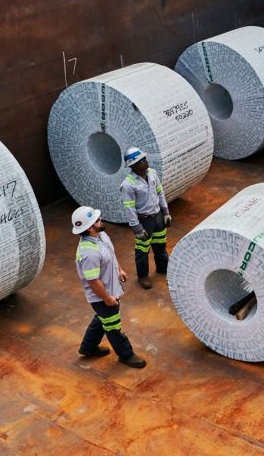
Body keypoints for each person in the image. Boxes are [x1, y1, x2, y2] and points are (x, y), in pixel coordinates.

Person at [72, 205, 146, 368]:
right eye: (97, 220)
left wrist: (119, 269)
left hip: (110, 290)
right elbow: (92, 282)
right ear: (90, 228)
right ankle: (126, 355)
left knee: (102, 318)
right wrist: (107, 299)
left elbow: (110, 254)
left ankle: (88, 347)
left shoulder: (101, 235)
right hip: (102, 296)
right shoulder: (88, 254)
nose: (101, 220)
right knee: (113, 327)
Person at [120, 147, 172, 290]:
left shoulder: (153, 174)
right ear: (133, 165)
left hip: (158, 218)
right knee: (143, 250)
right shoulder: (128, 185)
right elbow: (129, 209)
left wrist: (166, 212)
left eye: (144, 159)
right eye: (141, 161)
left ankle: (163, 268)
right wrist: (137, 229)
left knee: (160, 245)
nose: (146, 162)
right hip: (145, 222)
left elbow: (160, 193)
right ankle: (143, 276)